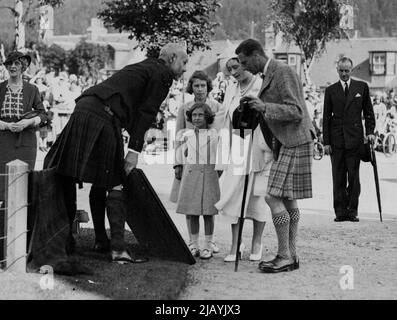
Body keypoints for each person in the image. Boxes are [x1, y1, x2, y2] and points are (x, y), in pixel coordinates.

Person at [44, 43, 188, 263]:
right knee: (115, 180)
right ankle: (118, 249)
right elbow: (146, 113)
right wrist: (134, 151)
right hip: (103, 115)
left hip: (85, 108)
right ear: (171, 58)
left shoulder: (147, 66)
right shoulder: (163, 75)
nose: (185, 68)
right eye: (184, 62)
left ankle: (100, 240)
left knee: (93, 177)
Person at [235, 39, 315, 273]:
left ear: (257, 55)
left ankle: (284, 255)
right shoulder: (269, 74)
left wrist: (264, 107)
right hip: (287, 141)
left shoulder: (283, 71)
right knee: (288, 198)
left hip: (295, 140)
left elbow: (297, 111)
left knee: (272, 196)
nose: (243, 67)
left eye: (244, 61)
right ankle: (291, 254)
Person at [214, 55, 271, 262]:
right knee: (234, 196)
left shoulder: (261, 86)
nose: (233, 72)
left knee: (257, 197)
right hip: (237, 147)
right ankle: (235, 244)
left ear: (245, 64)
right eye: (229, 69)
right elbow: (224, 122)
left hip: (258, 146)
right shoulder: (231, 89)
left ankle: (257, 242)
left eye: (236, 67)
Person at [171, 70, 223, 254]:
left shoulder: (216, 107)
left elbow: (221, 137)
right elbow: (178, 136)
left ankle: (210, 241)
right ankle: (192, 242)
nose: (200, 89)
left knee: (209, 201)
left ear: (208, 87)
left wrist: (220, 165)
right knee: (190, 201)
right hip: (189, 161)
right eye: (196, 85)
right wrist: (177, 163)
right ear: (191, 87)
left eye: (203, 85)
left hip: (209, 162)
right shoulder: (184, 107)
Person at [323, 57, 375, 223]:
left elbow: (368, 113)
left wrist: (370, 132)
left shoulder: (362, 87)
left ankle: (352, 211)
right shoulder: (331, 90)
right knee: (338, 177)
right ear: (337, 71)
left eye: (347, 70)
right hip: (337, 140)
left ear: (352, 70)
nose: (344, 74)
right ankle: (340, 212)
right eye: (341, 70)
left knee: (354, 177)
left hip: (355, 140)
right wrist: (326, 142)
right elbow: (325, 118)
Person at [0, 51, 47, 204]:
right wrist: (6, 125)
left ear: (23, 67)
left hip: (26, 142)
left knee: (23, 182)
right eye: (10, 64)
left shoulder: (32, 89)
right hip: (3, 141)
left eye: (17, 63)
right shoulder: (0, 88)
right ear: (6, 66)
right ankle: (3, 223)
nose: (13, 66)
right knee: (3, 182)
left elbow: (43, 115)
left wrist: (28, 122)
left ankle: (22, 224)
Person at [175, 102, 220, 260]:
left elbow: (219, 157)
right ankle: (193, 244)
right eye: (194, 115)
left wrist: (216, 174)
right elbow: (180, 154)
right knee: (192, 211)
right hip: (191, 174)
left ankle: (208, 245)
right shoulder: (186, 135)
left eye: (200, 115)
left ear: (207, 117)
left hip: (208, 174)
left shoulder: (214, 134)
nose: (197, 118)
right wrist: (178, 166)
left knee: (208, 212)